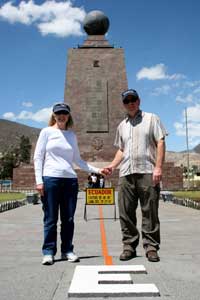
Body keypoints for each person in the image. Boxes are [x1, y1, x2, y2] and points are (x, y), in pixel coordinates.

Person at [34, 103, 107, 265]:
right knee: (51, 218)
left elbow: (78, 160)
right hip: (50, 178)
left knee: (68, 219)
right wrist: (39, 181)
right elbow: (38, 157)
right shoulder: (46, 132)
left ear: (68, 116)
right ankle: (48, 252)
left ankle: (67, 250)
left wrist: (98, 170)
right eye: (58, 113)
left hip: (70, 181)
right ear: (53, 115)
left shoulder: (71, 136)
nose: (61, 116)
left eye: (64, 113)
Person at [106, 89, 167, 262]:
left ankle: (151, 247)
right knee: (125, 212)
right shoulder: (122, 125)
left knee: (150, 211)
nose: (130, 103)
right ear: (124, 104)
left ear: (139, 101)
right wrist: (112, 166)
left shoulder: (151, 118)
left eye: (133, 100)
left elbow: (160, 142)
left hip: (147, 170)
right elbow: (121, 149)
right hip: (126, 172)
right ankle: (129, 246)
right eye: (127, 101)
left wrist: (158, 168)